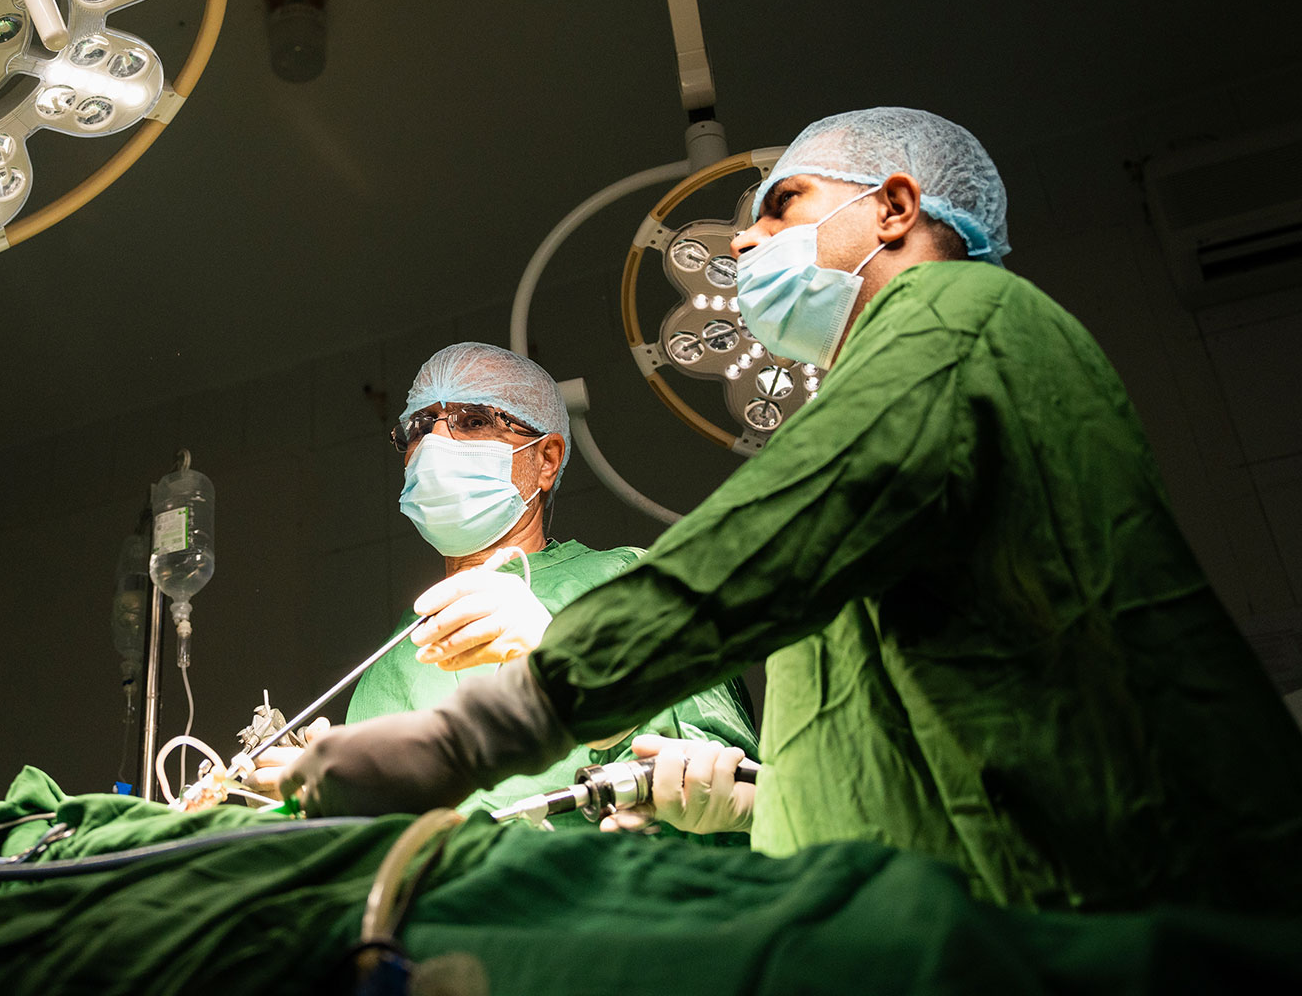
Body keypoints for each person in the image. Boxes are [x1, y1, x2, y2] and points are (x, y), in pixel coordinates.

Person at [286, 107, 1302, 912]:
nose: (744, 242)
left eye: (782, 206)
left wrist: (496, 722)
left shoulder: (960, 315)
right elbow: (864, 763)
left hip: (1103, 908)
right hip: (941, 919)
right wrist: (753, 803)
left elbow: (760, 545)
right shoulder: (880, 470)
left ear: (894, 207)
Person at [253, 343, 757, 832]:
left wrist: (568, 665)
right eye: (419, 426)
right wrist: (322, 808)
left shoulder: (626, 581)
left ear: (546, 460)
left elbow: (725, 781)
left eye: (473, 421)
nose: (436, 442)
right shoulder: (394, 661)